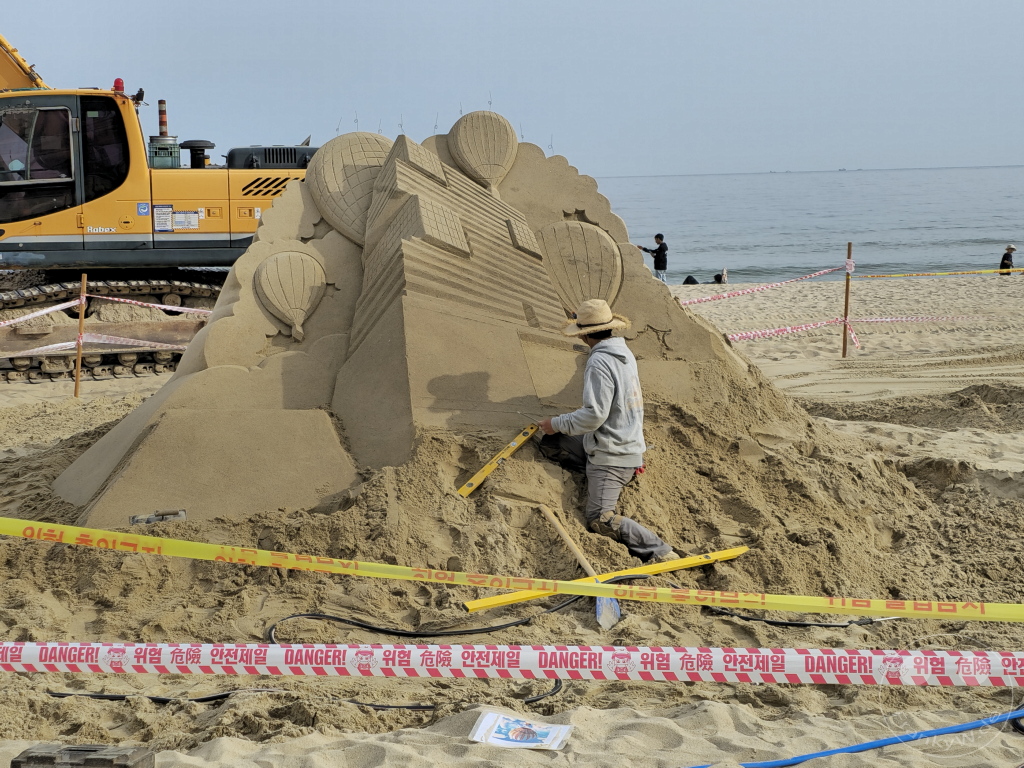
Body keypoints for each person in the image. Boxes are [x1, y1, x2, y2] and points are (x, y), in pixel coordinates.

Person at [538, 299, 679, 563]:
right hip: (627, 441)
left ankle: (660, 551)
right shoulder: (623, 353)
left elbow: (594, 415)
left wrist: (555, 422)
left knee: (600, 518)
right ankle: (601, 477)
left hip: (613, 453)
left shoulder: (599, 362)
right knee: (553, 443)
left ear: (585, 334)